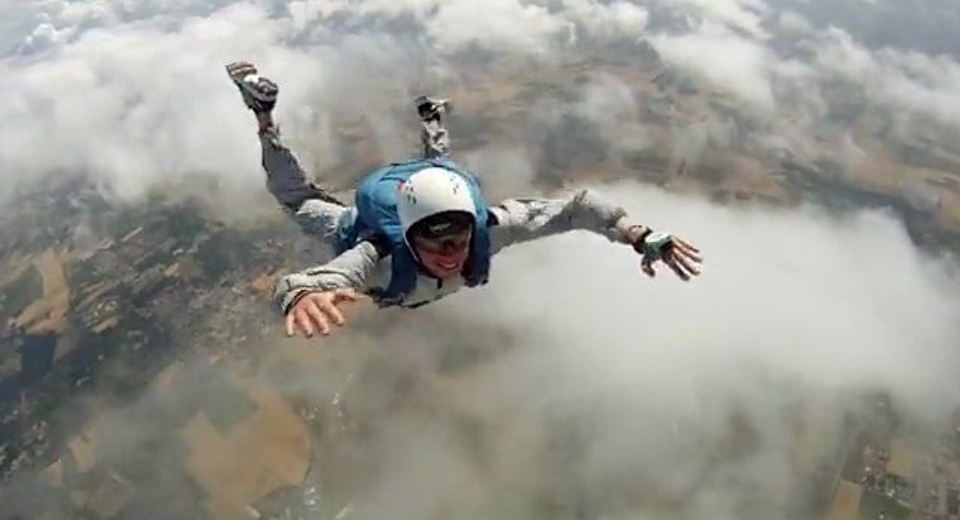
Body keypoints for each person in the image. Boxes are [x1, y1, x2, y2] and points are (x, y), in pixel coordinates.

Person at [226, 61, 703, 339]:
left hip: (426, 207)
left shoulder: (487, 229)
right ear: (408, 239)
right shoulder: (376, 255)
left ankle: (432, 117)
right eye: (437, 243)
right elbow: (319, 277)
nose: (453, 252)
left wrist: (637, 234)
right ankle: (264, 116)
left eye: (459, 236)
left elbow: (575, 206)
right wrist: (303, 293)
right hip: (350, 221)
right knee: (295, 199)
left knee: (442, 169)